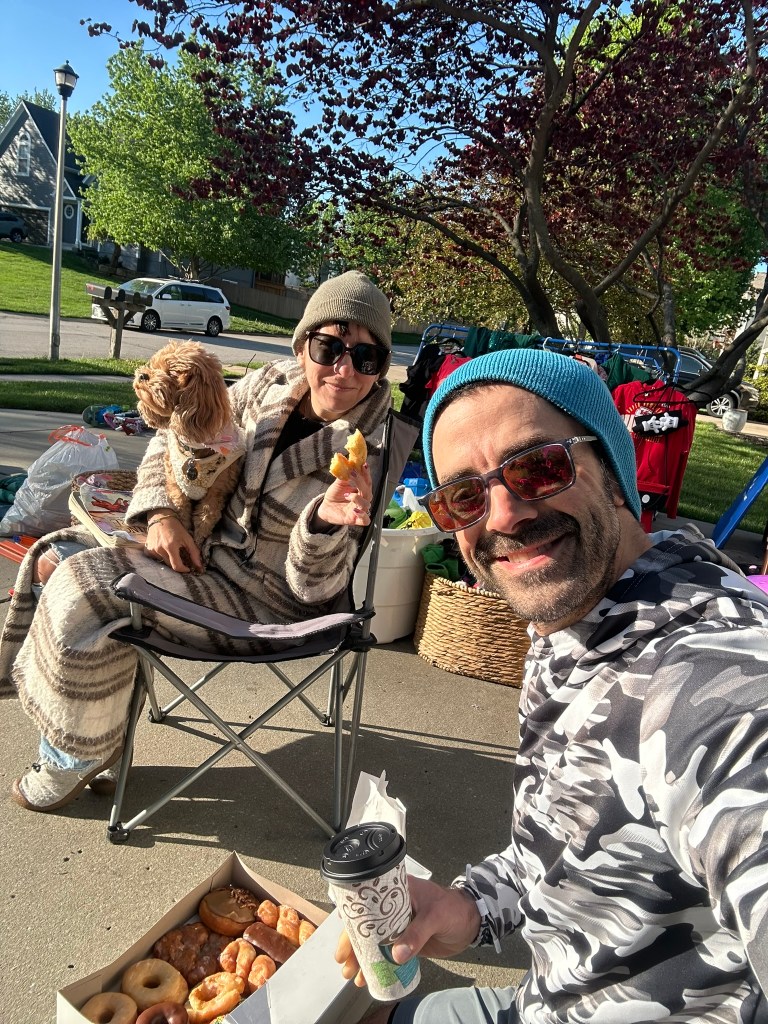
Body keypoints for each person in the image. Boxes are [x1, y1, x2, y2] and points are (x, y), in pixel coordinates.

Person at [337, 347, 768, 1023]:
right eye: (464, 497)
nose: (503, 516)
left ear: (614, 474)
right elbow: (567, 841)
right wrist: (472, 907)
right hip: (549, 996)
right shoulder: (573, 617)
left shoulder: (713, 681)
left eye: (538, 466)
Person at [0, 271, 394, 812]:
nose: (345, 369)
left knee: (84, 586)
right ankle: (101, 729)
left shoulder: (367, 447)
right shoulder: (268, 384)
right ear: (303, 345)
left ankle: (76, 753)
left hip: (265, 599)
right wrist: (161, 513)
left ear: (380, 369)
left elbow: (315, 588)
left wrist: (324, 522)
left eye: (366, 358)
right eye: (330, 346)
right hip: (199, 557)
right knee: (53, 556)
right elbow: (178, 431)